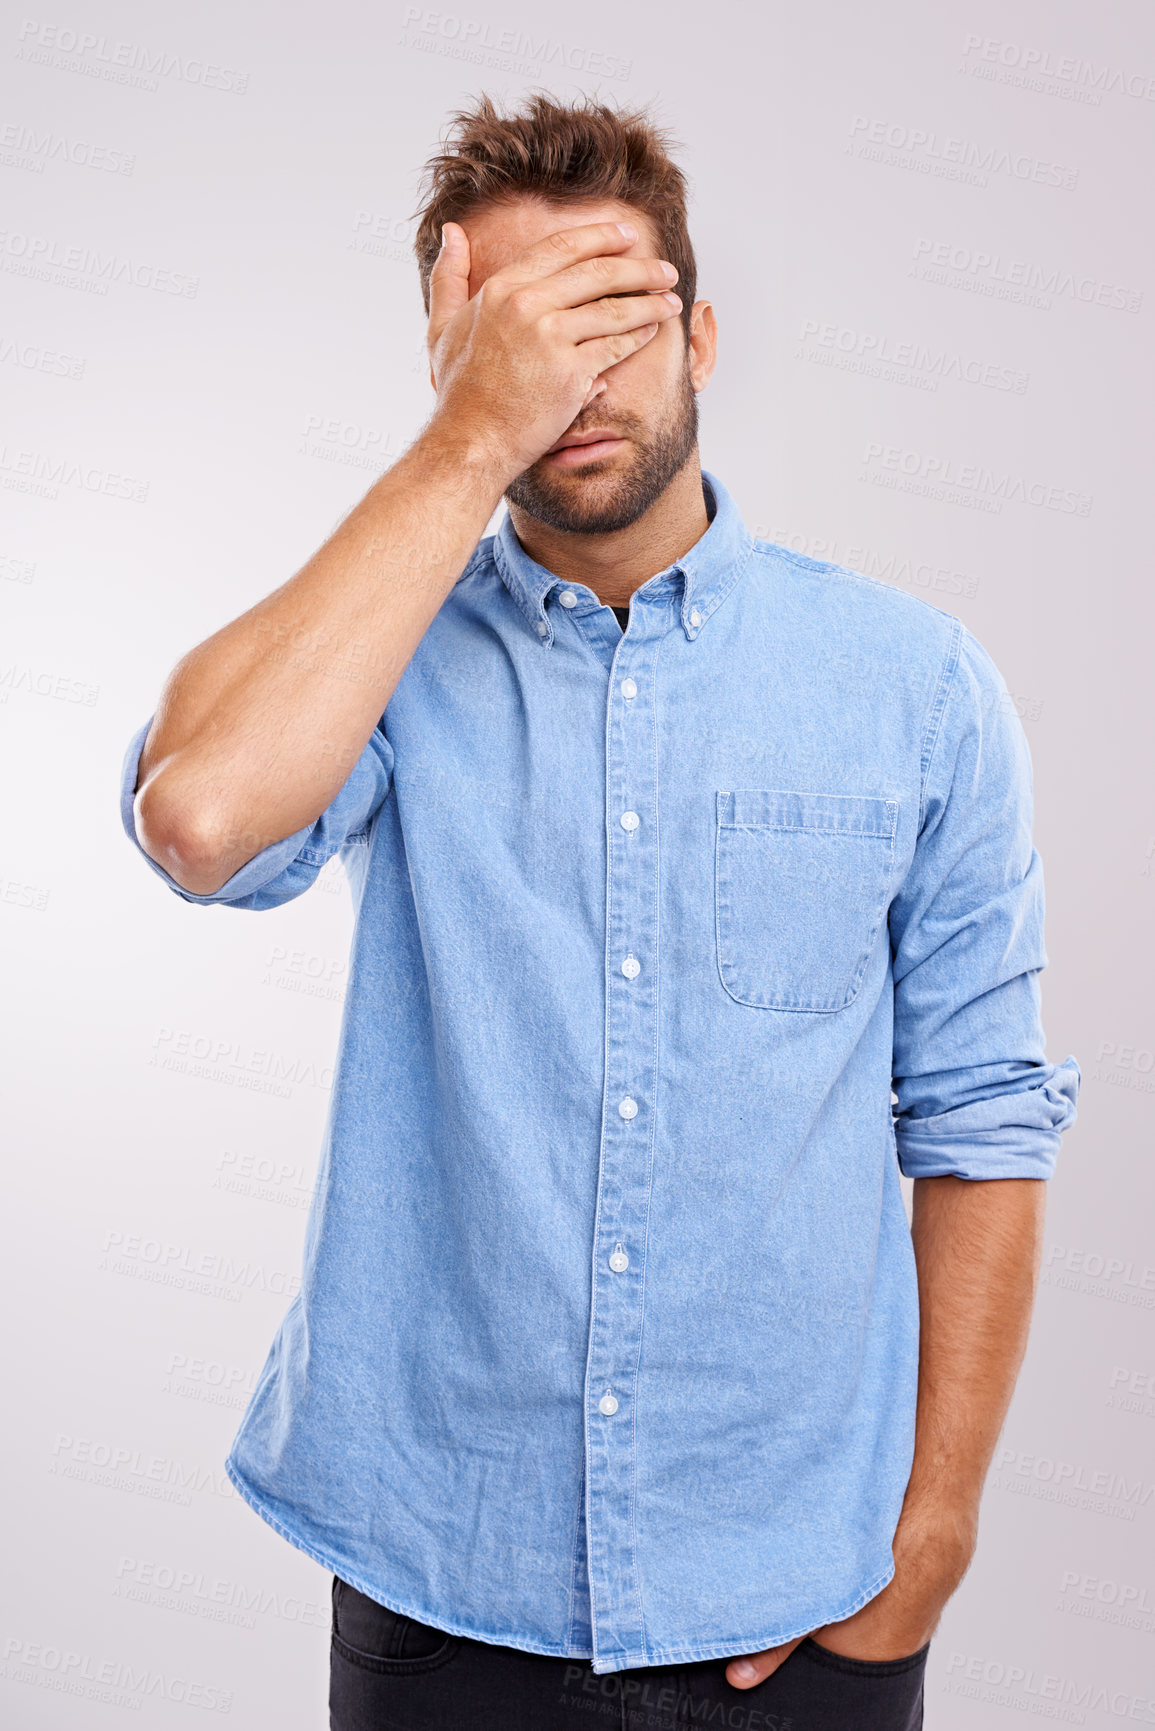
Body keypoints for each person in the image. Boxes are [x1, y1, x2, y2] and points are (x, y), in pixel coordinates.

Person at [119, 92, 1081, 1731]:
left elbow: (981, 1115)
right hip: (440, 1596)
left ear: (700, 332)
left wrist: (930, 1538)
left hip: (800, 1602)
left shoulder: (914, 685)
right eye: (514, 335)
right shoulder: (382, 661)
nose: (571, 376)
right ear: (451, 364)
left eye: (612, 318)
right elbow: (202, 819)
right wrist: (462, 446)